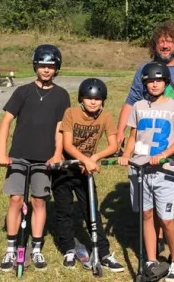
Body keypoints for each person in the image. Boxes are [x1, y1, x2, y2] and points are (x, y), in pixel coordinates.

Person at [116, 20, 174, 260]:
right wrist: (120, 130)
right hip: (148, 141)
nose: (165, 45)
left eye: (169, 40)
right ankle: (159, 241)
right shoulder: (144, 69)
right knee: (151, 193)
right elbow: (131, 100)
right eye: (161, 41)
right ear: (155, 45)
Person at [0, 44, 71, 272]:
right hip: (19, 156)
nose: (46, 70)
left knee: (39, 201)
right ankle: (11, 248)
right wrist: (2, 152)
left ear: (56, 68)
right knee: (16, 200)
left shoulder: (61, 95)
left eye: (50, 66)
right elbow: (6, 121)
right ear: (35, 66)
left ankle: (36, 248)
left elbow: (61, 127)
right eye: (42, 65)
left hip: (44, 159)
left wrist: (57, 154)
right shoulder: (23, 91)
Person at [118, 61, 174, 282]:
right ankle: (151, 258)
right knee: (146, 215)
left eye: (158, 80)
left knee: (166, 219)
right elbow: (133, 136)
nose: (154, 84)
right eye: (150, 81)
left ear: (166, 82)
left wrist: (165, 154)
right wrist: (126, 155)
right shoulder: (138, 106)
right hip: (140, 169)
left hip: (164, 171)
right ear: (145, 83)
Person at [53, 77, 125, 272]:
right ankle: (68, 248)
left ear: (103, 100)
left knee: (91, 211)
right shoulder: (71, 113)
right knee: (64, 210)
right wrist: (85, 159)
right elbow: (67, 144)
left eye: (98, 99)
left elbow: (113, 145)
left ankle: (103, 253)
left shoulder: (106, 117)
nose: (93, 102)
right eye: (88, 98)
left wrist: (94, 157)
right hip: (66, 167)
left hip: (86, 170)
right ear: (81, 99)